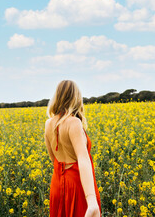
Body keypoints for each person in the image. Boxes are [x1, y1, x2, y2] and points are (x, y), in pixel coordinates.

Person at [44, 80, 101, 217]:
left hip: (57, 184)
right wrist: (91, 199)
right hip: (77, 184)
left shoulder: (48, 124)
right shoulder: (74, 122)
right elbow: (83, 159)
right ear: (76, 98)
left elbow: (54, 159)